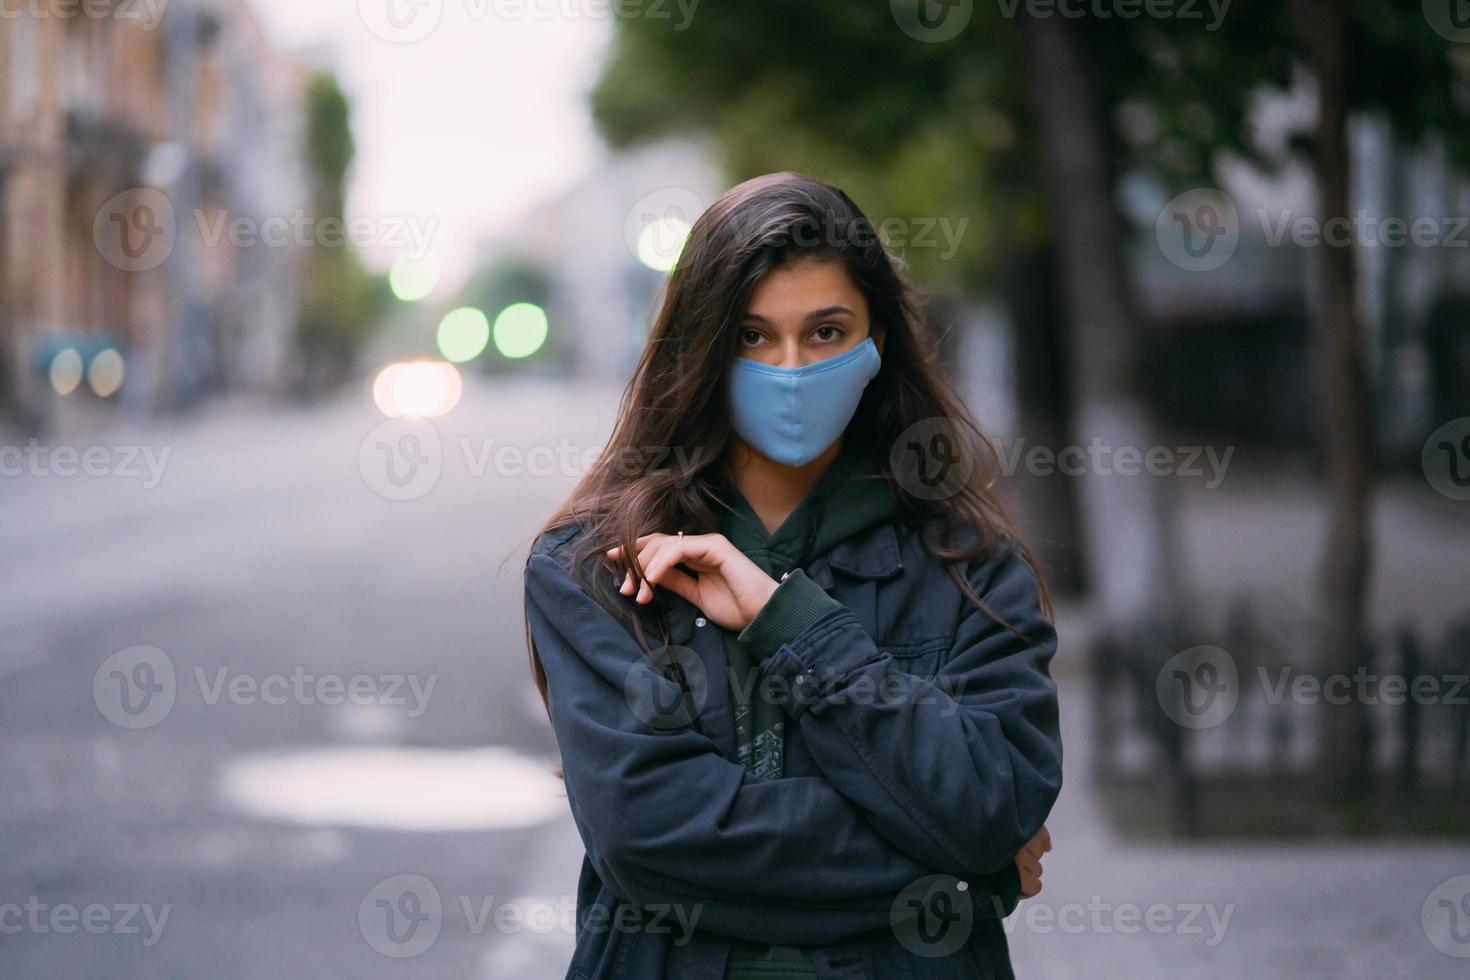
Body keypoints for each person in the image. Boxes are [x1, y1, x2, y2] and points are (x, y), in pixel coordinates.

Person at [523, 172, 1062, 979]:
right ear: (701, 347)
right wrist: (969, 868)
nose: (789, 366)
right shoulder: (594, 566)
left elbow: (993, 797)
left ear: (876, 343)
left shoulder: (969, 563)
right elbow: (653, 841)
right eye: (751, 336)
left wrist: (795, 625)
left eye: (825, 333)